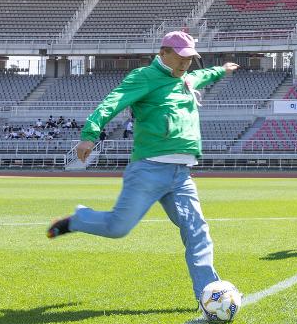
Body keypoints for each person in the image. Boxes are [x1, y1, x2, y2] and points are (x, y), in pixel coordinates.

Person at [46, 30, 239, 309]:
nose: (187, 63)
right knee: (117, 228)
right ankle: (78, 219)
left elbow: (203, 75)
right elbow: (113, 101)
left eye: (190, 58)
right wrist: (90, 134)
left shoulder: (185, 78)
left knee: (197, 230)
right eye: (181, 57)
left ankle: (208, 294)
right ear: (164, 53)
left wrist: (221, 69)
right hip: (149, 168)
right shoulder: (143, 77)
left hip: (181, 174)